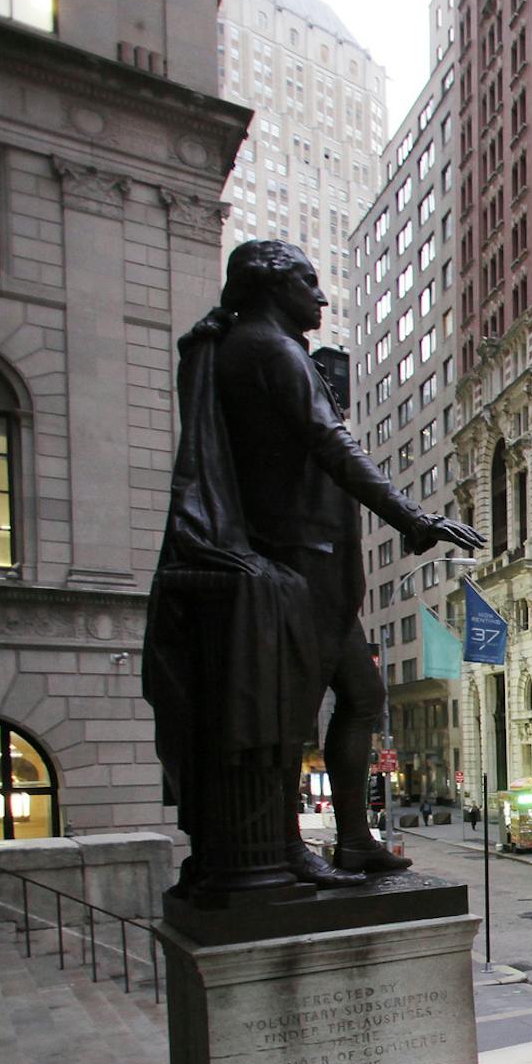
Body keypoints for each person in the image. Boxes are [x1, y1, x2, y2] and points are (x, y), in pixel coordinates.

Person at [145, 240, 484, 895]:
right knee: (292, 711)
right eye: (309, 281)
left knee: (362, 696)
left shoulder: (249, 346)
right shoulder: (271, 349)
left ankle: (354, 839)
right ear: (273, 284)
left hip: (314, 564)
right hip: (298, 564)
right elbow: (335, 446)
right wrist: (412, 518)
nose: (322, 297)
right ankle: (285, 846)